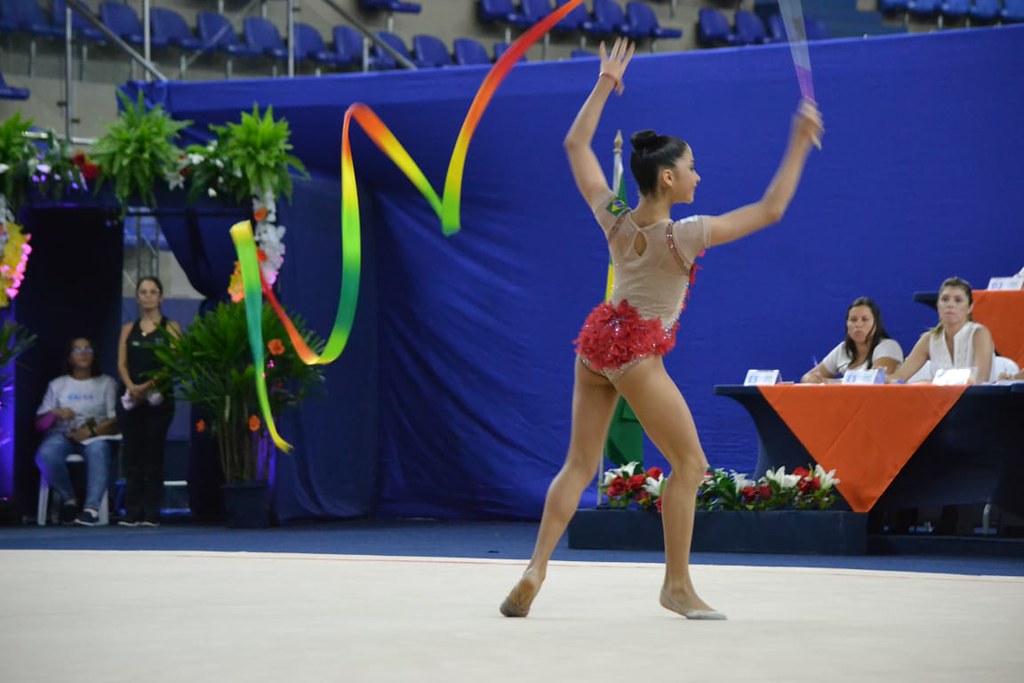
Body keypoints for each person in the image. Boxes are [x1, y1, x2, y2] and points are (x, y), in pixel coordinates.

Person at [499, 38, 823, 620]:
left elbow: (575, 144)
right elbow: (771, 209)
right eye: (692, 167)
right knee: (691, 465)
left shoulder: (615, 219)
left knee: (579, 464)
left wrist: (604, 83)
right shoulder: (687, 234)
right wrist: (799, 143)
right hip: (635, 354)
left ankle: (536, 566)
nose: (699, 174)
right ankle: (676, 585)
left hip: (595, 345)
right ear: (668, 178)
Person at [117, 276, 181, 527]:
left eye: (153, 291)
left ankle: (152, 512)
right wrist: (132, 387)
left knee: (153, 454)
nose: (148, 296)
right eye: (143, 292)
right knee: (132, 455)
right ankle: (132, 511)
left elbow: (171, 363)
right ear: (137, 298)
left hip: (159, 399)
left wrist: (147, 386)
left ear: (161, 297)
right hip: (131, 399)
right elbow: (122, 363)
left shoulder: (171, 327)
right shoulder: (128, 329)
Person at [35, 337, 118, 526]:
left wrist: (91, 431)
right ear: (70, 357)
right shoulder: (57, 384)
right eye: (78, 350)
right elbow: (40, 424)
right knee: (46, 454)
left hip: (95, 435)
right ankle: (69, 499)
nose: (83, 354)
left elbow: (115, 420)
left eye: (88, 350)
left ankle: (91, 509)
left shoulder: (106, 383)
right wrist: (55, 413)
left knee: (99, 450)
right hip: (62, 434)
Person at [888, 276, 994, 384]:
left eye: (958, 300)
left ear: (970, 308)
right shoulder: (929, 339)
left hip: (974, 395)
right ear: (938, 305)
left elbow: (980, 379)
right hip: (937, 395)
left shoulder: (979, 333)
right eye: (945, 299)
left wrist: (931, 383)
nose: (950, 304)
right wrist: (877, 377)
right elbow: (898, 377)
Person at [801, 297, 903, 383]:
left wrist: (829, 382)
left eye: (864, 319)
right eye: (853, 320)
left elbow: (876, 380)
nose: (858, 324)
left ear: (876, 324)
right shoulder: (843, 349)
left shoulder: (889, 346)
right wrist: (812, 379)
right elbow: (806, 378)